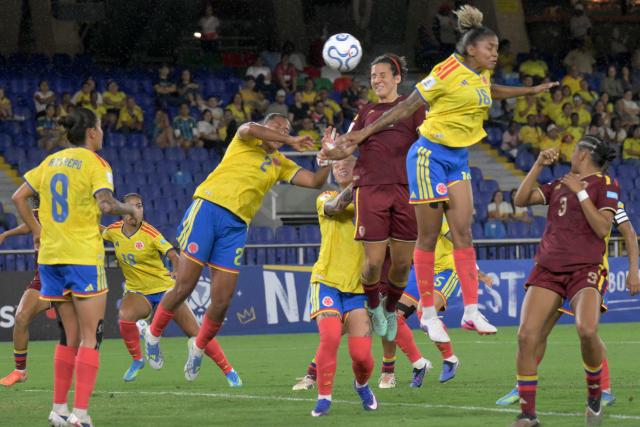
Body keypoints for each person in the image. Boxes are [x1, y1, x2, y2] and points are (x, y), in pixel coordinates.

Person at [333, 6, 557, 341]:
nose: (496, 54)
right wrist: (362, 134)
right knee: (428, 236)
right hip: (429, 155)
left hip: (458, 158)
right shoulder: (446, 70)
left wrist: (530, 91)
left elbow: (489, 91)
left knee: (463, 233)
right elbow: (407, 106)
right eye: (490, 48)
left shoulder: (479, 74)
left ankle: (470, 311)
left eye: (496, 49)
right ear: (471, 49)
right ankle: (426, 313)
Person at [142, 114, 328, 381]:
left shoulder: (280, 163)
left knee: (222, 301)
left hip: (237, 227)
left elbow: (314, 182)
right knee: (185, 285)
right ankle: (152, 333)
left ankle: (197, 346)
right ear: (266, 127)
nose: (283, 132)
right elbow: (250, 127)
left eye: (287, 129)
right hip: (208, 209)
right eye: (278, 128)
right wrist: (290, 139)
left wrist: (327, 159)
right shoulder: (245, 140)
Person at [12, 107, 138, 426]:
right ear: (92, 132)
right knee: (90, 337)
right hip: (81, 256)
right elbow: (107, 204)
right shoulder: (96, 163)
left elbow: (18, 197)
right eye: (100, 127)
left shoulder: (51, 161)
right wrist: (130, 210)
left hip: (51, 259)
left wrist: (38, 231)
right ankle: (80, 415)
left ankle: (59, 410)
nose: (103, 133)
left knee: (68, 337)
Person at [509, 137, 624, 426]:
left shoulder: (606, 184)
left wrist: (581, 194)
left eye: (575, 150)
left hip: (585, 269)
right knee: (526, 336)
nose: (570, 154)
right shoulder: (560, 183)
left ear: (583, 154)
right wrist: (538, 164)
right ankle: (528, 415)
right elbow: (520, 200)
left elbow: (602, 228)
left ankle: (595, 394)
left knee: (586, 329)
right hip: (548, 268)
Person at [320, 53, 426, 342]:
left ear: (397, 78)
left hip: (406, 189)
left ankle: (391, 308)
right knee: (372, 264)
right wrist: (331, 152)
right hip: (370, 188)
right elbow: (346, 147)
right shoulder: (366, 112)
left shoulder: (414, 108)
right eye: (373, 76)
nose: (377, 80)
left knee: (402, 264)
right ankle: (375, 306)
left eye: (382, 75)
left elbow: (428, 142)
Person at [497, 199, 639, 408]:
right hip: (558, 271)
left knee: (588, 332)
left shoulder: (609, 199)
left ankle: (604, 389)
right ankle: (522, 386)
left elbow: (628, 232)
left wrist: (633, 270)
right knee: (540, 332)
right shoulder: (568, 193)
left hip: (590, 273)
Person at [102, 193, 241, 385]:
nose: (136, 210)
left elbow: (172, 254)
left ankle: (229, 372)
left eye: (140, 206)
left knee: (196, 333)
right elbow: (96, 230)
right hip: (138, 292)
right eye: (131, 206)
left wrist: (176, 267)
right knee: (125, 315)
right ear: (122, 211)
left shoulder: (150, 233)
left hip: (166, 290)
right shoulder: (113, 230)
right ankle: (138, 360)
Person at [306, 156, 377, 416]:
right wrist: (358, 184)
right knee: (330, 337)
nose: (341, 167)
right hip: (326, 282)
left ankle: (362, 385)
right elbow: (336, 207)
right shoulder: (326, 196)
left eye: (348, 163)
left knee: (361, 356)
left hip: (358, 289)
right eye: (336, 165)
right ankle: (324, 397)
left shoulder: (372, 204)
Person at [0, 196, 51, 388]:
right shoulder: (37, 216)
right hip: (43, 278)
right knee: (21, 317)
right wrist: (6, 234)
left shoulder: (67, 216)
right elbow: (28, 225)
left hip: (68, 278)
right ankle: (20, 371)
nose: (35, 206)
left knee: (77, 332)